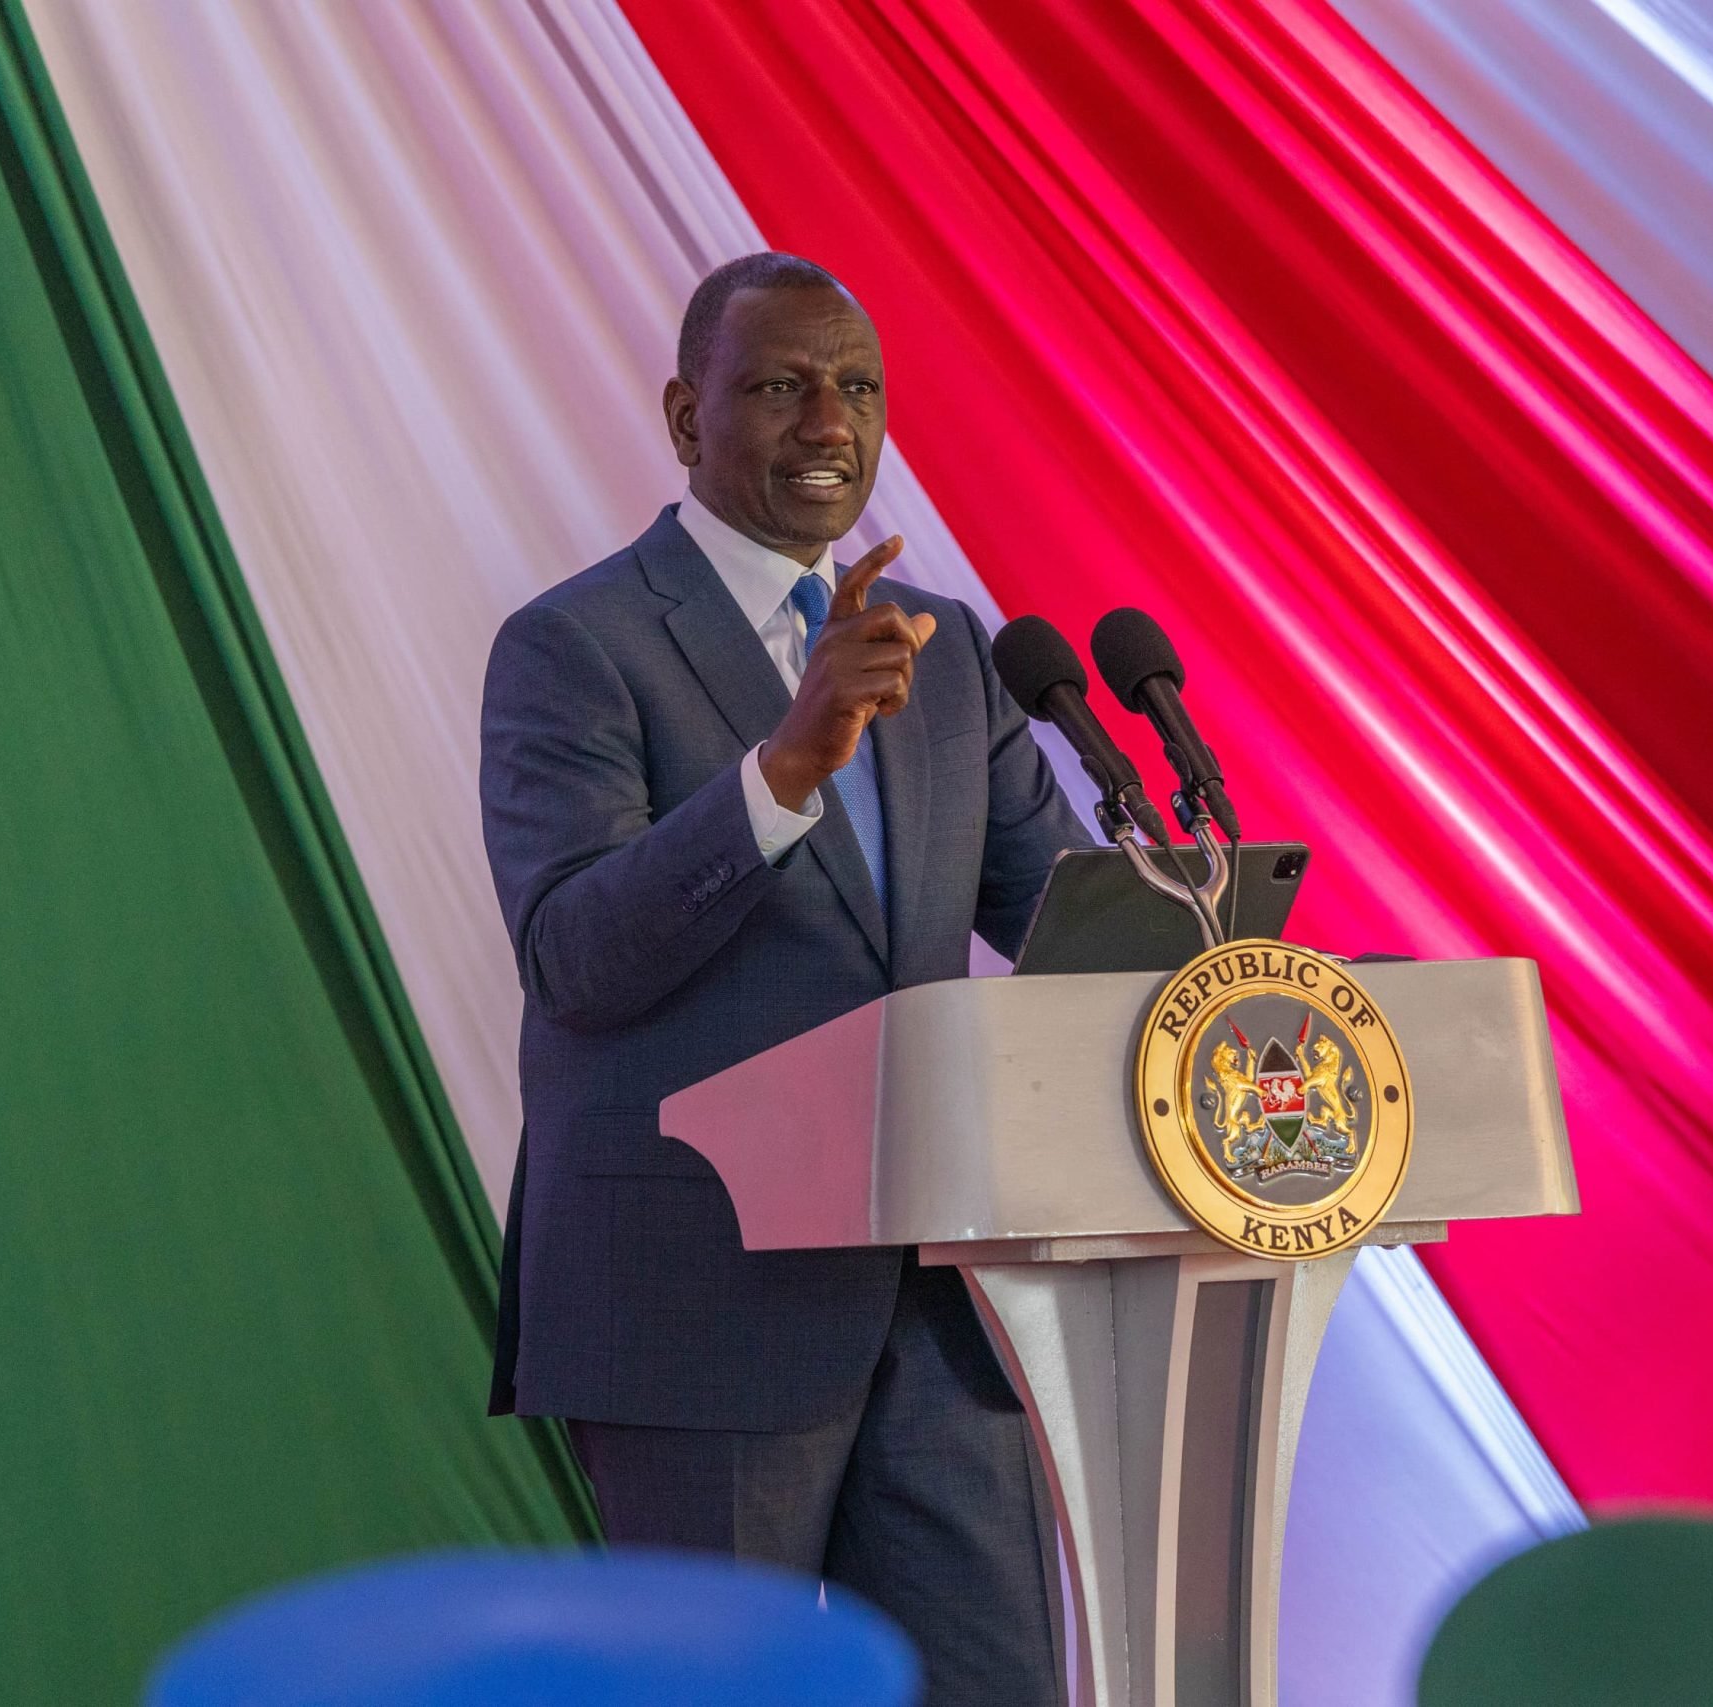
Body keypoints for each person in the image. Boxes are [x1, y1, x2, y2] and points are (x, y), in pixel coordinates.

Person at [478, 252, 1084, 1703]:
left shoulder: (943, 658)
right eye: (782, 386)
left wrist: (1251, 974)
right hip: (694, 1308)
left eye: (859, 388)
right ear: (689, 418)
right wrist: (780, 771)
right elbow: (575, 956)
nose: (831, 421)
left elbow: (1070, 919)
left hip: (933, 1309)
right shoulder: (577, 646)